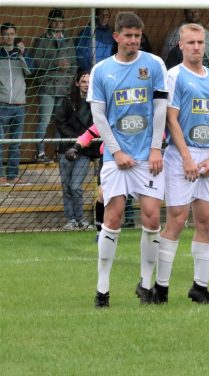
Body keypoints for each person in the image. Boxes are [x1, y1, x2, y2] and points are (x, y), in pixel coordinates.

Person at [87, 11, 168, 308]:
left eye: (137, 36)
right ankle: (103, 291)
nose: (134, 40)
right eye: (128, 36)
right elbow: (99, 116)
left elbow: (160, 109)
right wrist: (116, 151)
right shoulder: (101, 71)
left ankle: (146, 286)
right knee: (114, 217)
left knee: (151, 216)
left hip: (148, 155)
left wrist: (156, 147)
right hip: (115, 156)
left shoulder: (154, 64)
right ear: (117, 37)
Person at [152, 23, 209, 305]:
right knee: (177, 220)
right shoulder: (174, 76)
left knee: (206, 220)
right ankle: (160, 287)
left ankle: (200, 286)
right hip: (180, 157)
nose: (196, 47)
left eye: (200, 42)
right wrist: (186, 158)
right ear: (180, 46)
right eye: (191, 42)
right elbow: (171, 119)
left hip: (208, 157)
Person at [31, 8, 77, 163]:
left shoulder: (68, 40)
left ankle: (60, 152)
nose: (57, 24)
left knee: (60, 122)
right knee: (44, 121)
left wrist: (70, 78)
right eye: (54, 21)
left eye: (60, 21)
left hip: (63, 87)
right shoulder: (41, 40)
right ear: (49, 22)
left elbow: (74, 64)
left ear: (64, 23)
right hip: (48, 87)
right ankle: (40, 153)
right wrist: (55, 63)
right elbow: (36, 62)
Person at [55, 71, 100, 230]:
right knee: (66, 186)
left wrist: (83, 142)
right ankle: (70, 220)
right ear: (77, 84)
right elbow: (60, 122)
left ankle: (80, 218)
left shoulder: (96, 102)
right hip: (66, 149)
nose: (86, 85)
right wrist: (76, 139)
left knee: (75, 186)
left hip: (85, 151)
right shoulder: (68, 101)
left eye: (89, 82)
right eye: (83, 82)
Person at [0, 22, 31, 186]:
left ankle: (12, 175)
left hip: (19, 105)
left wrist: (22, 53)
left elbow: (30, 70)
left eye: (11, 33)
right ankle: (0, 176)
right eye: (5, 34)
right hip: (2, 104)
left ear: (15, 35)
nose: (8, 37)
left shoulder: (21, 53)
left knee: (15, 143)